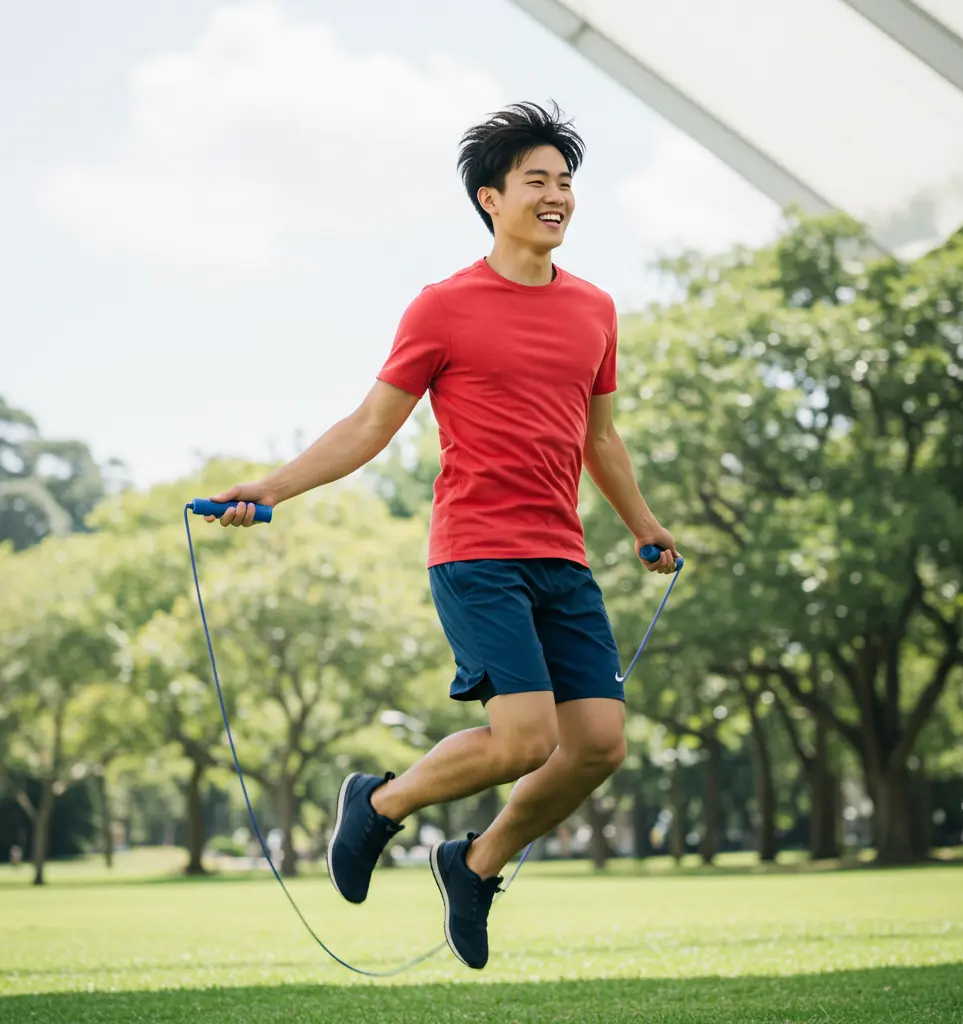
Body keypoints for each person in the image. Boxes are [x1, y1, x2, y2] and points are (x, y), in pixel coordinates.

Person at [204, 101, 680, 970]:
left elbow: (599, 436)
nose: (557, 196)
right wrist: (270, 489)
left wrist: (643, 526)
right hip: (477, 551)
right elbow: (369, 425)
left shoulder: (596, 310)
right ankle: (380, 806)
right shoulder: (444, 306)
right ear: (490, 198)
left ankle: (474, 864)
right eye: (537, 180)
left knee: (600, 745)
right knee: (527, 739)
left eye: (566, 182)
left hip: (561, 557)